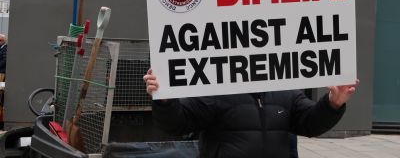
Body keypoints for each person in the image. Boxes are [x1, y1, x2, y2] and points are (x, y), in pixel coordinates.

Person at [144, 69, 359, 158]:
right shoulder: (215, 89)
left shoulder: (286, 89)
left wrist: (333, 103)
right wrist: (165, 101)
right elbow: (178, 124)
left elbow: (310, 124)